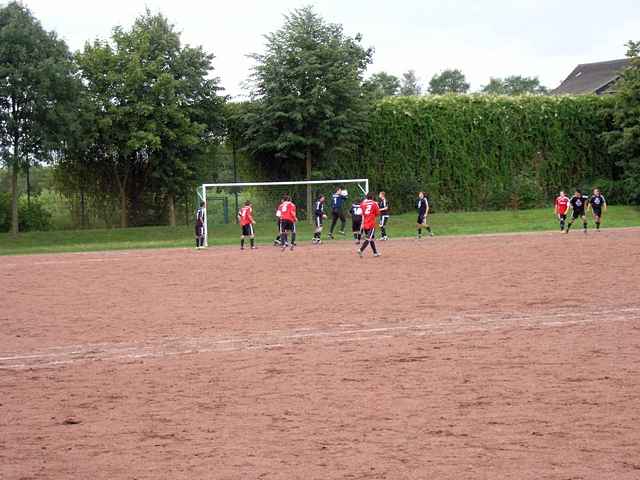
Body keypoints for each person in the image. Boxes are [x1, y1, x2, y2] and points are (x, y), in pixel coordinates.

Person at [358, 193, 381, 258]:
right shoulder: (374, 203)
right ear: (372, 197)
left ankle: (375, 253)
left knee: (371, 239)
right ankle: (361, 250)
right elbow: (377, 213)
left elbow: (360, 213)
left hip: (365, 224)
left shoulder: (362, 203)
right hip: (371, 224)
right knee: (369, 238)